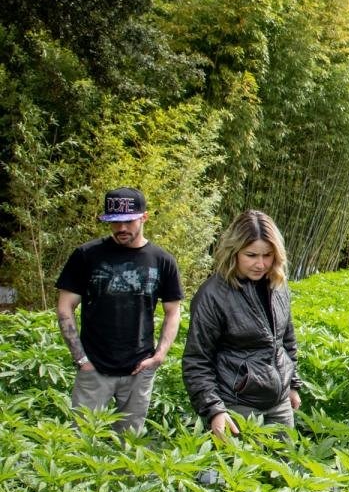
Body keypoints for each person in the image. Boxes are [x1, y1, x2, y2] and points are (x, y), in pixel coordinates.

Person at [55, 187, 184, 433]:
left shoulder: (162, 260)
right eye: (115, 222)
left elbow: (173, 312)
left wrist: (159, 356)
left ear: (144, 217)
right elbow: (65, 307)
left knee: (129, 444)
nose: (122, 228)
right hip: (93, 367)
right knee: (79, 442)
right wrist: (81, 359)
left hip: (139, 368)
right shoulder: (86, 255)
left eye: (129, 221)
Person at [182, 210, 302, 437]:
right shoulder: (212, 295)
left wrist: (292, 384)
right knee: (241, 461)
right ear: (234, 251)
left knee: (284, 458)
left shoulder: (278, 286)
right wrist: (214, 410)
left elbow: (286, 341)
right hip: (236, 405)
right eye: (251, 255)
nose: (260, 264)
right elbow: (197, 360)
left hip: (279, 403)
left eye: (267, 255)